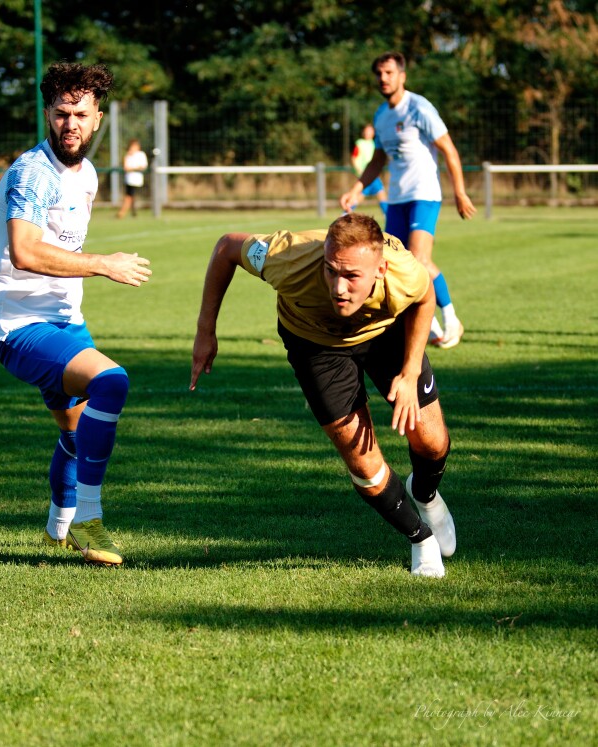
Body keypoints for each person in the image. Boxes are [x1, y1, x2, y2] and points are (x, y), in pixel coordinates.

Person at [190, 213, 456, 578]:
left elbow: (425, 296)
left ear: (379, 270)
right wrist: (206, 330)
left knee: (433, 443)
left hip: (386, 335)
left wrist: (410, 373)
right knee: (364, 465)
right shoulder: (289, 257)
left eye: (351, 276)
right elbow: (226, 248)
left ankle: (425, 494)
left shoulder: (402, 272)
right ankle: (420, 539)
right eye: (332, 271)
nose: (338, 287)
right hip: (315, 346)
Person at [0, 62, 152, 566]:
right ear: (46, 114)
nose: (70, 124)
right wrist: (103, 264)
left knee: (76, 433)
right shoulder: (32, 174)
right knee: (111, 382)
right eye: (61, 113)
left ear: (98, 118)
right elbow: (25, 252)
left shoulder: (88, 174)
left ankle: (58, 531)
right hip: (21, 328)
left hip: (64, 322)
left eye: (80, 113)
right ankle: (90, 519)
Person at [339, 52, 476, 349]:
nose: (383, 78)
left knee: (419, 259)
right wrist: (356, 190)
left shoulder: (420, 108)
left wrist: (460, 192)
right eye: (379, 74)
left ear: (402, 76)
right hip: (398, 198)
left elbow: (449, 150)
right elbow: (377, 159)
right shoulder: (381, 116)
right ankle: (432, 328)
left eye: (389, 73)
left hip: (425, 194)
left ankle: (451, 318)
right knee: (395, 262)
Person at [349, 124, 387, 218]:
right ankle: (387, 214)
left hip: (373, 174)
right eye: (366, 131)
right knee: (380, 193)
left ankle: (347, 210)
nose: (368, 133)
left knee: (365, 195)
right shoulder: (360, 143)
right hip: (366, 174)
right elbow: (354, 158)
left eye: (370, 131)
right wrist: (359, 170)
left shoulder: (375, 144)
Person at [116, 139, 148, 219]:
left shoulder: (141, 154)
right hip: (129, 179)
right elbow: (126, 168)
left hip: (136, 180)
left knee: (129, 196)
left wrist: (132, 168)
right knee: (131, 196)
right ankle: (133, 212)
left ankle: (122, 212)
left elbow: (143, 166)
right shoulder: (127, 156)